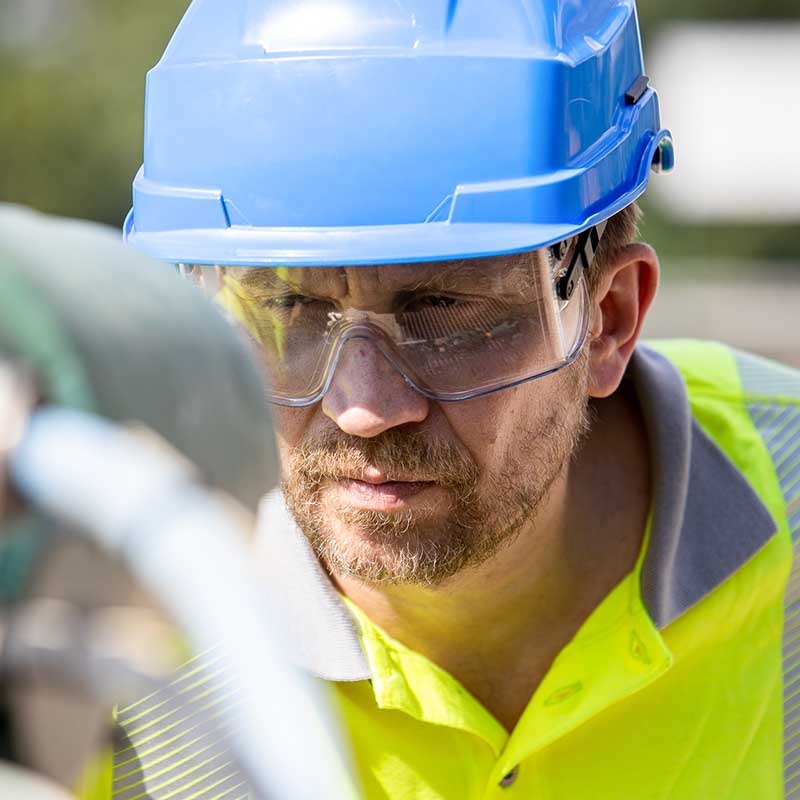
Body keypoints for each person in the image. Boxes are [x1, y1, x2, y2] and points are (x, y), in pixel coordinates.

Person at [96, 0, 800, 797]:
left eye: (441, 314)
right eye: (289, 311)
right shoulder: (107, 633)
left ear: (608, 319)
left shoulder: (790, 491)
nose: (363, 408)